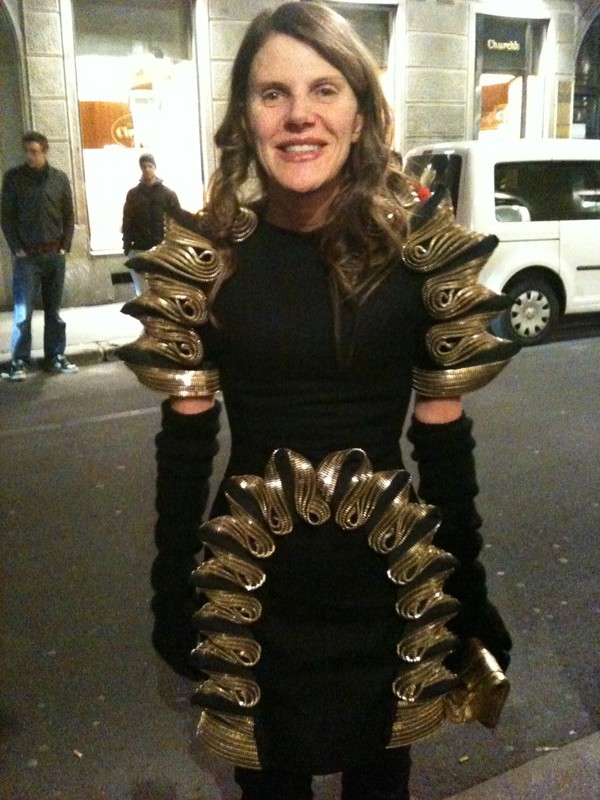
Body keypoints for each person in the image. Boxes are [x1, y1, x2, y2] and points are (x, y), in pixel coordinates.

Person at [118, 4, 520, 798]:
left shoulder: (422, 262)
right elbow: (185, 451)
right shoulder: (206, 266)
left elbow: (444, 450)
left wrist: (468, 592)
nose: (299, 114)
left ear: (360, 114)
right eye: (273, 93)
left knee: (382, 785)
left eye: (324, 89)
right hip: (252, 597)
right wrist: (170, 587)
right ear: (246, 117)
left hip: (388, 592)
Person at [1, 131, 78, 381]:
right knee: (23, 313)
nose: (29, 156)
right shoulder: (14, 178)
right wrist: (16, 247)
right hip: (28, 257)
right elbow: (6, 216)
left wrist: (65, 245)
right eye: (27, 151)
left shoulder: (59, 178)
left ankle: (54, 356)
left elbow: (68, 214)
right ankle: (19, 361)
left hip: (54, 254)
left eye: (34, 152)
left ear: (45, 151)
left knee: (53, 311)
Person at [121, 153, 180, 295]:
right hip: (139, 247)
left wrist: (175, 245)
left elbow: (177, 220)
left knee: (163, 289)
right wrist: (127, 246)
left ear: (155, 167)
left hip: (162, 248)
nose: (147, 169)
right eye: (144, 167)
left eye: (150, 166)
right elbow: (127, 220)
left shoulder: (167, 194)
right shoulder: (133, 194)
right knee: (143, 292)